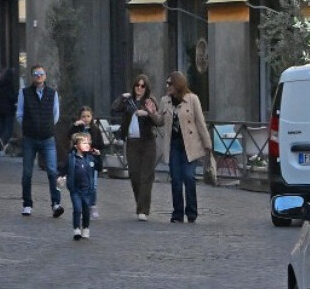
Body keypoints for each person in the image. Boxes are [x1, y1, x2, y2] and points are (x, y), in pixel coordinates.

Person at [157, 70, 211, 223]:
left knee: (189, 177)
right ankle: (177, 213)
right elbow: (160, 121)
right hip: (173, 144)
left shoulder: (192, 99)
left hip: (190, 144)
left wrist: (207, 144)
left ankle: (192, 212)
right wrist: (151, 113)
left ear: (178, 84)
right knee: (175, 179)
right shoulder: (165, 101)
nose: (167, 86)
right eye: (167, 83)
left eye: (170, 83)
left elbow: (200, 122)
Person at [111, 74, 164, 221]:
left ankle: (143, 210)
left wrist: (147, 113)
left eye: (142, 86)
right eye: (137, 85)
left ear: (146, 88)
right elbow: (115, 107)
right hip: (132, 142)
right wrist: (123, 96)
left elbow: (159, 121)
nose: (139, 88)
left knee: (146, 177)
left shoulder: (149, 101)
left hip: (147, 142)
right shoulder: (129, 101)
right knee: (134, 175)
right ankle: (140, 204)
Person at [16, 64, 63, 217]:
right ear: (32, 76)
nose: (39, 76)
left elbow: (55, 114)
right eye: (36, 73)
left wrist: (47, 125)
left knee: (52, 170)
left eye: (41, 73)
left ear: (45, 76)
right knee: (27, 172)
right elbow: (20, 113)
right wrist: (29, 125)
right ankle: (27, 203)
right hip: (30, 138)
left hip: (47, 138)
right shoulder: (24, 93)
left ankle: (56, 203)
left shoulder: (52, 93)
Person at [65, 106, 105, 218]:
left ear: (92, 117)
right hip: (79, 159)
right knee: (80, 182)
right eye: (83, 116)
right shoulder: (77, 128)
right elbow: (69, 137)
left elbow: (101, 144)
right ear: (79, 117)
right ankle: (82, 206)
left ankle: (92, 205)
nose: (86, 119)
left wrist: (93, 148)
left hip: (91, 159)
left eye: (88, 116)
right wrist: (74, 126)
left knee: (93, 184)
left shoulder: (95, 129)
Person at [61, 132, 97, 240]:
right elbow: (63, 169)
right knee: (77, 209)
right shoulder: (71, 158)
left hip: (87, 190)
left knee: (86, 210)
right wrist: (60, 177)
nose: (87, 144)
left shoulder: (90, 158)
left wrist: (98, 156)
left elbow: (99, 167)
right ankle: (76, 229)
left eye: (88, 143)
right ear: (76, 146)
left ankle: (86, 228)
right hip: (75, 189)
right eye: (84, 143)